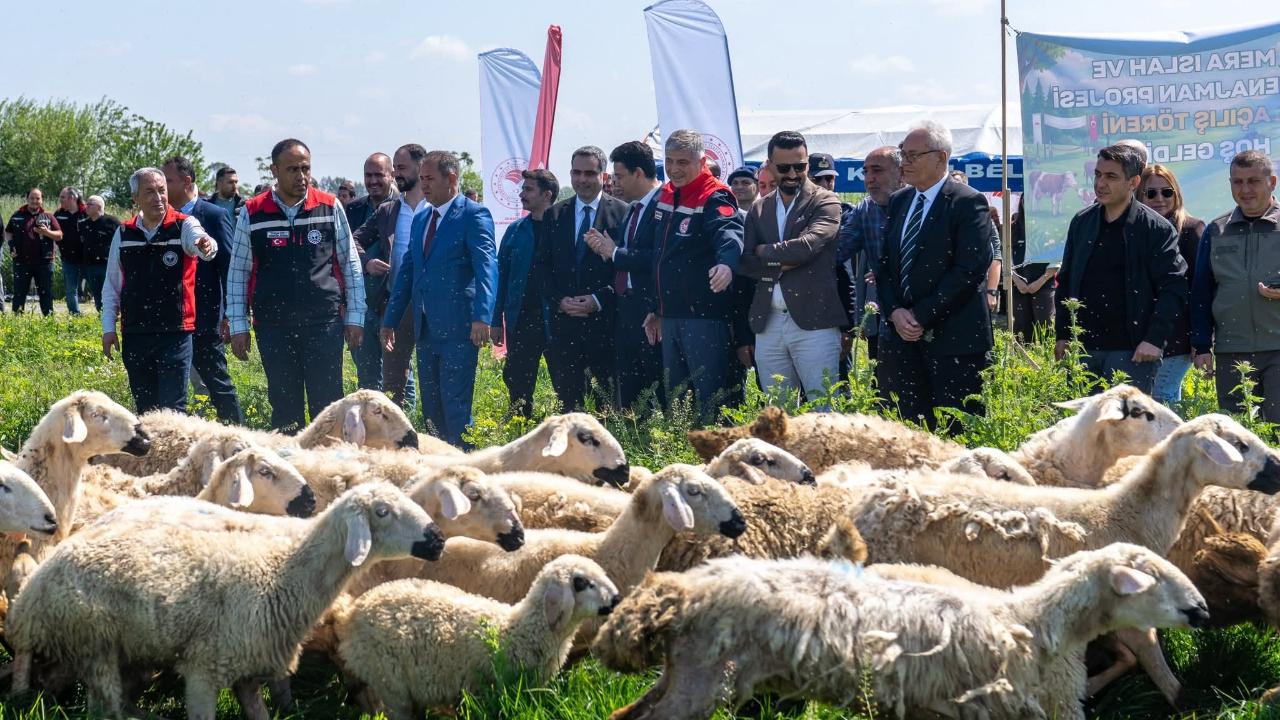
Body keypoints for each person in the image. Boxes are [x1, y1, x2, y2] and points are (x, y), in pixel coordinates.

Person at [227, 138, 366, 432]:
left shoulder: (329, 206)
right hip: (273, 326)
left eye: (305, 168)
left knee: (327, 405)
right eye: (292, 169)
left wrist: (355, 317)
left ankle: (327, 470)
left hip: (323, 323)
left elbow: (350, 263)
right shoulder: (252, 212)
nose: (301, 176)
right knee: (284, 404)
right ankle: (289, 470)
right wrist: (238, 323)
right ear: (274, 170)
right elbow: (238, 270)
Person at [876, 121, 993, 429]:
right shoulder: (900, 201)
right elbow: (886, 266)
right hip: (904, 340)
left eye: (914, 155)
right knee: (908, 432)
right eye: (903, 154)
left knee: (957, 432)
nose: (906, 162)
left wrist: (920, 315)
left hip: (954, 342)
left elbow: (969, 270)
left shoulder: (967, 202)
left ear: (940, 158)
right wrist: (895, 312)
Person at [381, 150, 497, 447]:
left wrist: (483, 316)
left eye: (430, 178)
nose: (424, 185)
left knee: (456, 407)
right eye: (422, 179)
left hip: (459, 328)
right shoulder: (422, 217)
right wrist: (390, 320)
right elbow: (408, 272)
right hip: (426, 328)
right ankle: (438, 469)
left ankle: (465, 468)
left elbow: (487, 268)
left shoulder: (474, 215)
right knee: (432, 410)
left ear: (452, 178)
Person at [1054, 144, 1186, 395]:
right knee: (1086, 432)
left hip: (1133, 352)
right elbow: (1067, 280)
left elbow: (1174, 287)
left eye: (1111, 176)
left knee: (1127, 431)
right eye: (1098, 174)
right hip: (1083, 350)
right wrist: (1062, 333)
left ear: (1134, 181)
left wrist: (1154, 340)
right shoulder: (1082, 222)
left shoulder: (1155, 228)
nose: (1100, 183)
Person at [738, 131, 844, 406]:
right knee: (777, 414)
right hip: (768, 322)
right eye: (784, 168)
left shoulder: (826, 201)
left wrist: (767, 252)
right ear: (770, 165)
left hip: (815, 323)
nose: (793, 174)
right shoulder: (759, 208)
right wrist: (781, 261)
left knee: (825, 410)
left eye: (801, 166)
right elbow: (747, 262)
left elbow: (807, 246)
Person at [647, 129, 744, 424]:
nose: (674, 169)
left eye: (683, 162)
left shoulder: (714, 195)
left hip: (703, 317)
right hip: (670, 315)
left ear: (702, 161)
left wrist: (727, 265)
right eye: (669, 161)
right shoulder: (665, 195)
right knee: (677, 402)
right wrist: (655, 307)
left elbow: (730, 234)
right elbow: (660, 258)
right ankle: (682, 458)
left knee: (710, 400)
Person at [101, 167, 217, 413]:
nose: (158, 198)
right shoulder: (123, 233)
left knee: (174, 409)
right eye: (150, 192)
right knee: (146, 410)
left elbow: (203, 242)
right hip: (135, 333)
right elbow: (111, 285)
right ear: (136, 198)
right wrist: (108, 328)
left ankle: (175, 452)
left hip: (175, 333)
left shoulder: (184, 226)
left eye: (162, 190)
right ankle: (153, 453)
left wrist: (205, 245)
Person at [535, 146, 628, 411]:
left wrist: (599, 300)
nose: (582, 179)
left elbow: (627, 271)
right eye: (576, 172)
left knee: (607, 406)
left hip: (605, 326)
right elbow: (542, 267)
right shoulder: (555, 214)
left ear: (603, 175)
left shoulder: (623, 213)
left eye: (589, 173)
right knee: (568, 407)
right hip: (564, 327)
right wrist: (559, 301)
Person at [1192, 150, 1280, 421]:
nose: (1245, 189)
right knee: (1237, 438)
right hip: (1232, 352)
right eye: (1237, 182)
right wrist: (1202, 345)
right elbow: (1201, 292)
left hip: (1278, 350)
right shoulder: (1216, 230)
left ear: (1272, 182)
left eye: (1253, 181)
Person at [584, 141, 664, 411]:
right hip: (626, 309)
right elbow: (628, 253)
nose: (615, 183)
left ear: (639, 174)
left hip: (652, 311)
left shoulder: (665, 205)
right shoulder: (632, 208)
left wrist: (616, 253)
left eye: (619, 176)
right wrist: (607, 250)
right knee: (630, 395)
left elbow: (658, 258)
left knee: (660, 390)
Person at [163, 155, 242, 424]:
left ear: (186, 181)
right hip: (171, 318)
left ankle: (236, 434)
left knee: (217, 383)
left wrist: (231, 314)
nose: (162, 186)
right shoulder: (163, 218)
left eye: (168, 180)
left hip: (205, 318)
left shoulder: (213, 215)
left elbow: (229, 268)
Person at [353, 145, 427, 408]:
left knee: (431, 376)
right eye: (395, 167)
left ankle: (429, 430)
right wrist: (367, 262)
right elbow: (354, 241)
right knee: (394, 379)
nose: (396, 173)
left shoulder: (438, 208)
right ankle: (396, 431)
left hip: (434, 306)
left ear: (421, 167)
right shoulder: (389, 211)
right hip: (396, 303)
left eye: (401, 167)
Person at [493, 168, 558, 416]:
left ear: (547, 194)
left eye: (528, 189)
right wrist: (495, 319)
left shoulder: (563, 226)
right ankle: (520, 426)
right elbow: (502, 278)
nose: (522, 194)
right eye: (523, 188)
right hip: (521, 319)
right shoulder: (515, 231)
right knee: (517, 379)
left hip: (557, 318)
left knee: (565, 380)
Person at [1139, 164, 1204, 406]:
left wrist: (1201, 341)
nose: (1159, 199)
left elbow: (1200, 289)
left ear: (1176, 194)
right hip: (1142, 334)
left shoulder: (1191, 230)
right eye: (1151, 193)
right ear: (1138, 195)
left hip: (1178, 336)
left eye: (1167, 192)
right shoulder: (1135, 231)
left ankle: (1174, 444)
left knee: (1160, 399)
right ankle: (1177, 443)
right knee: (1160, 401)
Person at [345, 152, 404, 396]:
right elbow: (345, 245)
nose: (373, 181)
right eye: (368, 175)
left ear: (391, 175)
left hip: (394, 300)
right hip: (362, 300)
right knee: (366, 371)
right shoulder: (352, 209)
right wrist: (367, 262)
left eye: (379, 174)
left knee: (398, 374)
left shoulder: (405, 207)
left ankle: (404, 425)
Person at [838, 145, 903, 362]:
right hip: (887, 317)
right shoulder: (865, 209)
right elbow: (837, 250)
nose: (869, 179)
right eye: (865, 172)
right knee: (885, 388)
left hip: (928, 314)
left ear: (901, 172)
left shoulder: (922, 203)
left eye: (877, 170)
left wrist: (891, 270)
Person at [4, 188, 62, 316]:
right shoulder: (17, 215)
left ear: (42, 200)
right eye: (32, 198)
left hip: (44, 262)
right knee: (19, 293)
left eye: (37, 198)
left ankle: (48, 321)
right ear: (27, 199)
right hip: (21, 261)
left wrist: (46, 232)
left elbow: (59, 235)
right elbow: (8, 232)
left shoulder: (48, 216)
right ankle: (17, 321)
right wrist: (11, 245)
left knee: (45, 292)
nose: (34, 201)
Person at [1009, 208, 1056, 342]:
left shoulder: (1049, 227)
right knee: (1021, 326)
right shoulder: (1013, 227)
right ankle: (1022, 359)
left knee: (1044, 325)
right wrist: (1017, 280)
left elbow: (1057, 257)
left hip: (1044, 284)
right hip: (1018, 285)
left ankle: (1045, 360)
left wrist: (1041, 280)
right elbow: (1007, 255)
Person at [79, 195, 118, 312]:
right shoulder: (84, 224)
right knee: (97, 293)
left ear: (99, 206)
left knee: (110, 292)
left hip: (108, 265)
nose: (87, 206)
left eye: (90, 204)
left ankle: (113, 314)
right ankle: (100, 315)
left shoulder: (112, 222)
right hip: (91, 265)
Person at [53, 187, 87, 315]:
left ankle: (102, 313)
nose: (60, 200)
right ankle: (74, 314)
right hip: (68, 258)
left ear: (72, 198)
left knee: (97, 287)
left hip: (87, 259)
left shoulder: (86, 213)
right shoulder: (59, 214)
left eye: (63, 197)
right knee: (70, 289)